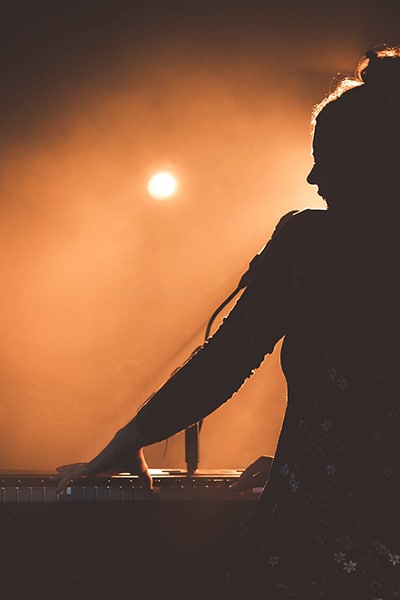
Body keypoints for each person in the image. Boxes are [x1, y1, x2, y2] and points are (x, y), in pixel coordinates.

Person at [54, 45, 400, 599]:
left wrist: (129, 439)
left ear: (368, 162)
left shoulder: (312, 245)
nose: (312, 177)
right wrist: (296, 451)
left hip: (335, 534)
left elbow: (227, 359)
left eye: (323, 158)